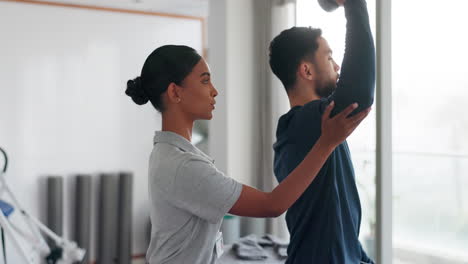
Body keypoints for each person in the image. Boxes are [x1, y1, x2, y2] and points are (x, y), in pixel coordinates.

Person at [125, 44, 370, 264]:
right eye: (204, 81)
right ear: (175, 92)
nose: (214, 91)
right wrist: (326, 143)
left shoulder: (169, 153)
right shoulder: (182, 166)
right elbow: (272, 204)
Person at [269, 0, 375, 263]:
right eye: (329, 57)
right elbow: (359, 91)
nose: (337, 66)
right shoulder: (304, 124)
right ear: (306, 70)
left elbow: (340, 228)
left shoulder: (324, 126)